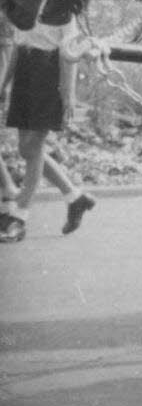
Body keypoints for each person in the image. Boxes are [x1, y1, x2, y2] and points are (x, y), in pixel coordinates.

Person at [0, 16, 95, 242]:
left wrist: (68, 93)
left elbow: (69, 54)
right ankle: (75, 197)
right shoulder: (27, 6)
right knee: (27, 150)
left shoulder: (62, 10)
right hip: (24, 74)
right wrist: (4, 83)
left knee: (33, 148)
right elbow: (16, 47)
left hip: (49, 74)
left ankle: (19, 218)